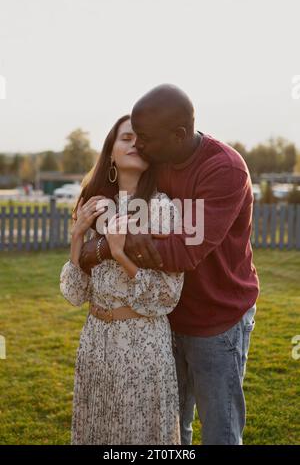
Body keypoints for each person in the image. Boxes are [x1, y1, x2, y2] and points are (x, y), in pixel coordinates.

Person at [79, 85, 260, 445]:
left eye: (144, 138)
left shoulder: (223, 169)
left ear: (178, 135)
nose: (139, 145)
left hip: (216, 317)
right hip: (163, 319)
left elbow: (183, 253)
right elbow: (125, 201)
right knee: (174, 430)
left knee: (219, 430)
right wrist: (104, 235)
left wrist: (118, 241)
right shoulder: (159, 158)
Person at [59, 115, 184, 445]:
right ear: (110, 153)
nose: (134, 144)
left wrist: (122, 255)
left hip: (142, 343)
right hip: (96, 342)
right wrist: (77, 237)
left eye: (140, 139)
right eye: (125, 138)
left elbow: (166, 296)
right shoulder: (95, 205)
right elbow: (75, 292)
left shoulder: (162, 209)